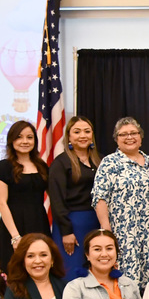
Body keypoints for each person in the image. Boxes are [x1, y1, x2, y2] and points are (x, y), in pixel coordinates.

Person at [92, 117, 149, 291]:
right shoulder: (109, 163)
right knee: (126, 283)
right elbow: (99, 197)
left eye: (133, 133)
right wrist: (106, 230)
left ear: (141, 136)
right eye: (123, 134)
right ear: (116, 138)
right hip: (123, 234)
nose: (129, 137)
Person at [49, 116, 102, 280]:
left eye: (87, 131)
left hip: (96, 222)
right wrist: (66, 232)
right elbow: (56, 200)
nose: (83, 135)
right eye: (77, 132)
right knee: (72, 273)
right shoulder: (61, 162)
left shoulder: (100, 161)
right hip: (72, 225)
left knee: (94, 271)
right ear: (69, 137)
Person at [0, 120, 51, 267]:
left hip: (39, 223)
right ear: (11, 140)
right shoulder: (4, 166)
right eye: (19, 137)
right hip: (14, 226)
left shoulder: (42, 166)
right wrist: (15, 237)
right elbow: (1, 203)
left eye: (29, 137)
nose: (25, 141)